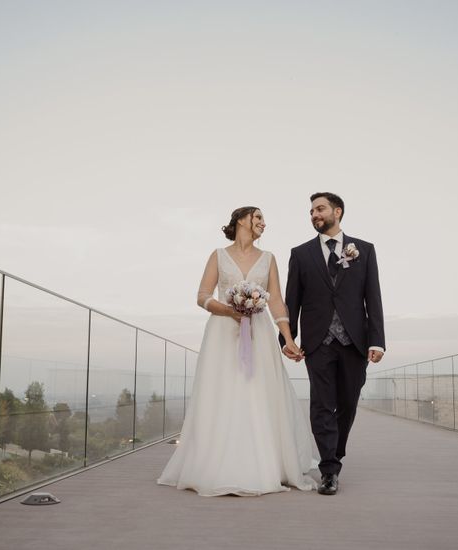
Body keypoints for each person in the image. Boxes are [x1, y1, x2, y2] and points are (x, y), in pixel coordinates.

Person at [157, 206, 317, 496]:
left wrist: (288, 339)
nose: (263, 224)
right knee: (223, 393)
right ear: (241, 220)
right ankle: (217, 464)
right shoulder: (218, 255)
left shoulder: (269, 259)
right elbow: (202, 296)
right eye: (258, 218)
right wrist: (230, 311)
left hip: (259, 335)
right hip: (222, 335)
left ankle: (262, 465)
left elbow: (277, 302)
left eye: (263, 220)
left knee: (258, 394)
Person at [280, 192, 386, 496]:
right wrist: (288, 339)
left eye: (320, 208)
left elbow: (373, 298)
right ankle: (329, 469)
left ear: (337, 211)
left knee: (348, 404)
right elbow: (293, 300)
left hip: (355, 340)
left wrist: (377, 340)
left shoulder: (364, 250)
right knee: (321, 405)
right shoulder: (300, 254)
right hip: (317, 341)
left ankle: (335, 452)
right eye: (311, 210)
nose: (314, 214)